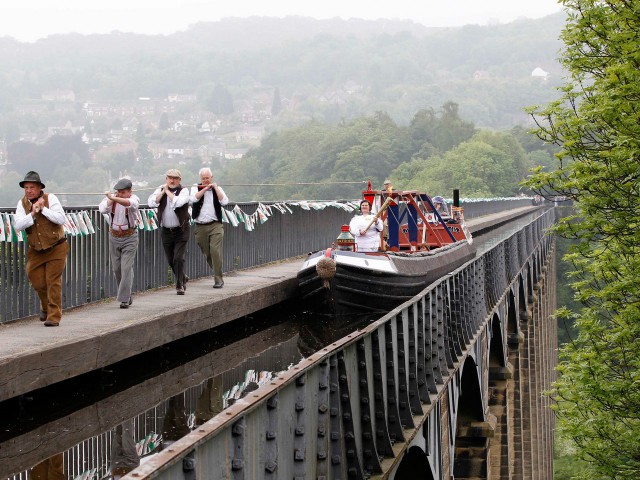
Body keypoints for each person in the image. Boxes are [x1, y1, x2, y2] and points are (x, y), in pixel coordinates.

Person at [14, 171, 69, 327]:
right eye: (26, 187)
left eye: (32, 187)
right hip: (36, 250)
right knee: (37, 281)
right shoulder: (22, 203)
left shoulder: (50, 199)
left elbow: (61, 219)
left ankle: (54, 316)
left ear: (39, 188)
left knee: (53, 282)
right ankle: (45, 307)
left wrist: (43, 209)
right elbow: (18, 225)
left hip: (56, 247)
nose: (28, 190)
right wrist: (33, 213)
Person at [148, 169, 190, 295]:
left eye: (175, 178)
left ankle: (179, 285)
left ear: (179, 180)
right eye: (169, 178)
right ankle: (182, 276)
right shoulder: (160, 190)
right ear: (166, 179)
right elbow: (152, 203)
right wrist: (163, 192)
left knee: (178, 258)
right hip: (166, 230)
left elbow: (179, 202)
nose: (172, 180)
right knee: (171, 260)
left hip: (181, 230)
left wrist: (167, 191)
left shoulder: (184, 191)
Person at [99, 178, 139, 309]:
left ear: (129, 192)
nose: (119, 194)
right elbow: (102, 209)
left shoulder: (134, 199)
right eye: (118, 192)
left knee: (126, 267)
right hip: (114, 237)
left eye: (122, 192)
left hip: (130, 237)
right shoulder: (111, 200)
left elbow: (129, 203)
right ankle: (127, 295)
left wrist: (114, 198)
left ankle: (124, 299)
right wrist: (111, 199)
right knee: (116, 268)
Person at [190, 167, 229, 288]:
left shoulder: (218, 189)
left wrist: (215, 188)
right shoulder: (195, 188)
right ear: (200, 179)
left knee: (215, 251)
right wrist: (204, 189)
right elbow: (193, 199)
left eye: (207, 178)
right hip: (200, 226)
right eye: (203, 178)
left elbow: (225, 202)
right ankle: (218, 270)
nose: (206, 180)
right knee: (207, 252)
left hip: (215, 225)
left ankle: (218, 279)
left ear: (211, 177)